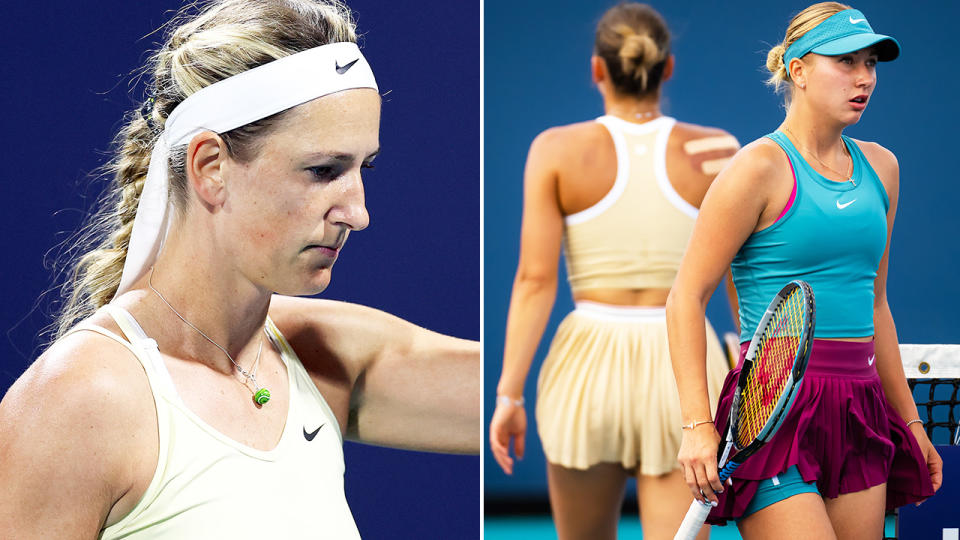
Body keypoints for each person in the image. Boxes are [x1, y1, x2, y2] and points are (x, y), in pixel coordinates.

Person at [0, 1, 479, 537]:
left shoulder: (320, 357)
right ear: (211, 168)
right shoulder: (78, 401)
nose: (358, 213)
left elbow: (544, 398)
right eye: (323, 170)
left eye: (361, 168)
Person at [666, 3, 941, 538]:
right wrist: (697, 425)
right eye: (846, 62)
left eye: (871, 64)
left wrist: (911, 421)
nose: (864, 79)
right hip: (771, 411)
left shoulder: (883, 168)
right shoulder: (756, 168)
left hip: (861, 409)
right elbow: (686, 297)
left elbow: (875, 305)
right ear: (798, 70)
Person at [488, 4, 737, 539]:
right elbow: (742, 282)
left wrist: (509, 395)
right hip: (685, 371)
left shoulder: (554, 150)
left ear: (597, 69)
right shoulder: (717, 151)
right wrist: (748, 366)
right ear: (667, 68)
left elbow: (534, 280)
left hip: (587, 372)